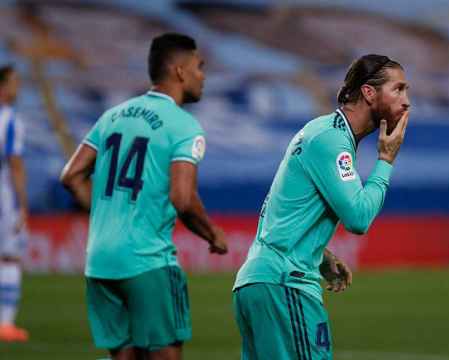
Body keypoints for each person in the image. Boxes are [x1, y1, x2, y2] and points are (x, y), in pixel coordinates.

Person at [60, 33, 228, 360]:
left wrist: (109, 211)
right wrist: (212, 233)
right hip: (146, 259)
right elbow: (183, 198)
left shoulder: (113, 116)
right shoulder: (183, 126)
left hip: (100, 260)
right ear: (179, 71)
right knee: (165, 354)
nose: (203, 75)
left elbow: (71, 175)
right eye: (199, 66)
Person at [233, 54, 410, 359]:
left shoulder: (321, 132)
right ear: (369, 93)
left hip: (261, 282)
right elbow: (358, 218)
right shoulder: (331, 140)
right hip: (285, 285)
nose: (407, 101)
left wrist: (318, 256)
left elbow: (283, 215)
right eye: (399, 89)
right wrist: (386, 161)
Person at [0, 64, 30, 343]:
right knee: (9, 256)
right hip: (3, 194)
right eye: (14, 82)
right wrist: (23, 203)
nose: (17, 87)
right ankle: (5, 324)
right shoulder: (10, 120)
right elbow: (15, 163)